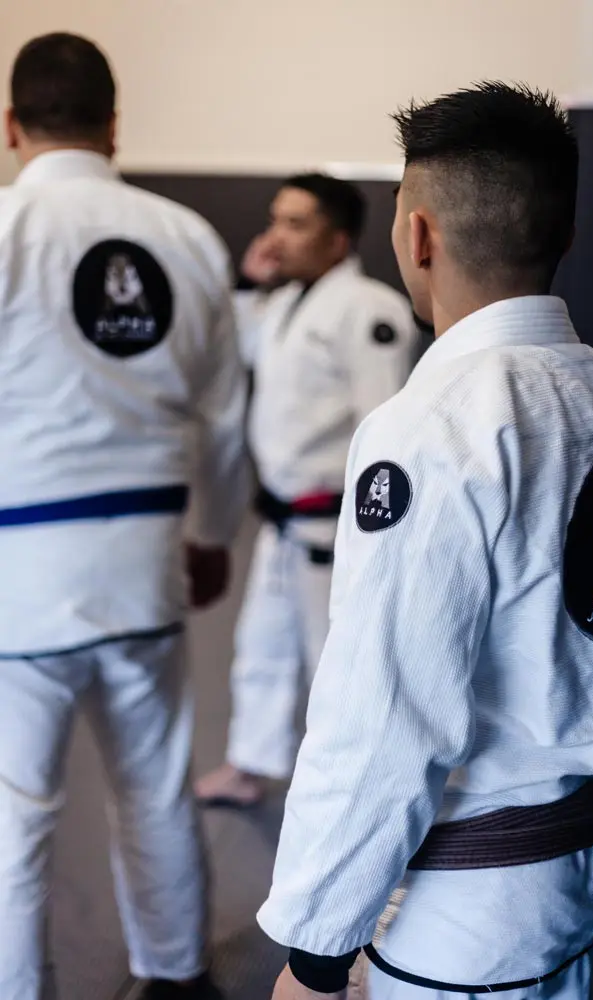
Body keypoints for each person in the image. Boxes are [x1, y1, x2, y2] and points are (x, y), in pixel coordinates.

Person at [256, 83, 593, 1000]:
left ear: (417, 237)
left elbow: (385, 716)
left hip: (453, 918)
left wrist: (319, 948)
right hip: (580, 873)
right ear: (560, 234)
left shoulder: (427, 432)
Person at [0, 33, 247, 1000]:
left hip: (24, 575)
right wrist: (214, 534)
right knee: (155, 783)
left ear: (10, 126)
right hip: (149, 558)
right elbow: (226, 416)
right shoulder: (184, 237)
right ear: (113, 124)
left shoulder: (7, 229)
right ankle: (176, 976)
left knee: (19, 813)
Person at [196, 175, 417, 808]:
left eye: (296, 224)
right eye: (274, 220)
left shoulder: (368, 308)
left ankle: (350, 792)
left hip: (333, 521)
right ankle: (251, 762)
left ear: (338, 238)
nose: (276, 236)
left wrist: (373, 523)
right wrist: (248, 282)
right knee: (261, 646)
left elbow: (387, 424)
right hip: (281, 518)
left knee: (335, 659)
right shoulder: (285, 302)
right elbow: (231, 342)